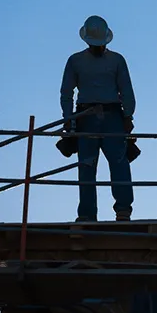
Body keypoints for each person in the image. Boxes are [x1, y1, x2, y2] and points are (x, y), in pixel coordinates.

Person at [60, 15, 136, 222]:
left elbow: (126, 92)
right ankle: (89, 214)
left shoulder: (109, 60)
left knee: (114, 163)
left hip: (107, 116)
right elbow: (66, 94)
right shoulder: (81, 60)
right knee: (90, 165)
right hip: (89, 116)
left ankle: (120, 210)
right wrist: (69, 119)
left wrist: (128, 116)